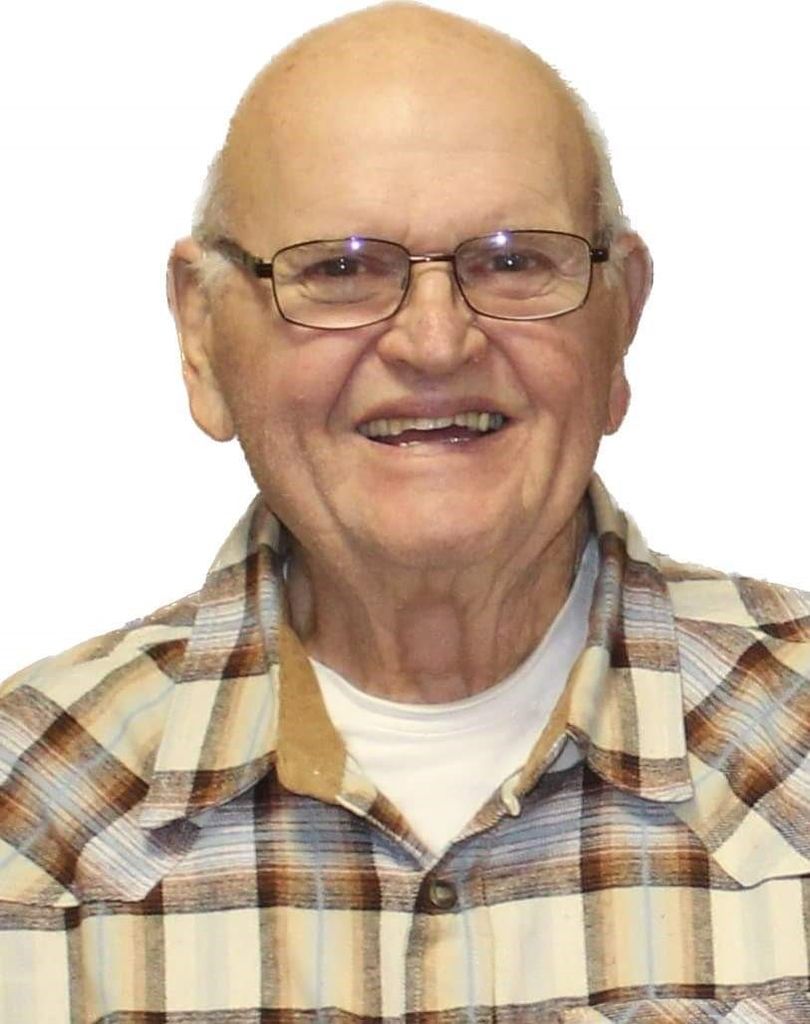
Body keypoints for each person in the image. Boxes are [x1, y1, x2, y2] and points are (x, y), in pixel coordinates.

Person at [1, 2, 808, 1020]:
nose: (435, 343)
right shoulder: (24, 818)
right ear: (201, 333)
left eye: (512, 260)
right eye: (340, 269)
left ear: (623, 315)